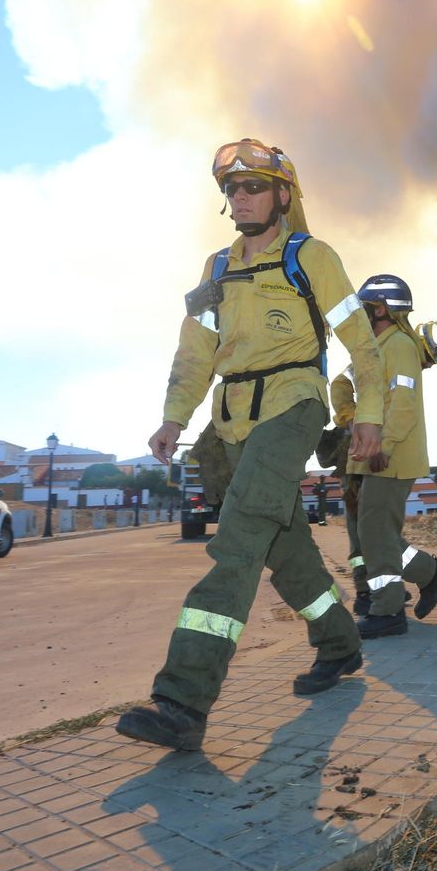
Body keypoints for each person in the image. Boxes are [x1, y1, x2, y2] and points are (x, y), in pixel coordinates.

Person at [115, 138, 386, 752]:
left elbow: (360, 344)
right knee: (286, 553)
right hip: (231, 419)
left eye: (254, 186)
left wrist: (368, 414)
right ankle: (341, 644)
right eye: (232, 190)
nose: (241, 197)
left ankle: (183, 701)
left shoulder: (310, 256)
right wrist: (173, 418)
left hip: (293, 405)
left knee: (235, 545)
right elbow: (196, 353)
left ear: (283, 195)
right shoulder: (215, 270)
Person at [345, 278, 437, 637]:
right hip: (377, 454)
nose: (360, 313)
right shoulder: (379, 346)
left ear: (379, 309)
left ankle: (388, 610)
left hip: (391, 455)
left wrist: (384, 445)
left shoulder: (398, 345)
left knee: (375, 534)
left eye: (365, 307)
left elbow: (403, 405)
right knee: (374, 533)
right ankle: (431, 575)